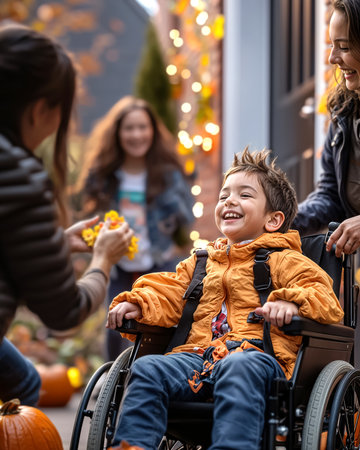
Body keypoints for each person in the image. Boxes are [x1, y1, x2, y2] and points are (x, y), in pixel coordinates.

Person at [106, 148, 344, 450]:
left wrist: (292, 302)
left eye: (244, 195)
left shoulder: (285, 260)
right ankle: (134, 445)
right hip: (196, 357)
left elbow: (322, 294)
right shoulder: (202, 262)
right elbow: (168, 290)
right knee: (148, 368)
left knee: (238, 366)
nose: (229, 201)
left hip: (258, 357)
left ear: (273, 220)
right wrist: (138, 302)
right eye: (224, 196)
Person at [0, 24, 134, 406]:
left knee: (24, 379)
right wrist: (103, 259)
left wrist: (56, 243)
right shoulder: (21, 176)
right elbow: (64, 310)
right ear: (41, 108)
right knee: (26, 388)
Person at [76, 96, 195, 360]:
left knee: (157, 322)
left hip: (156, 258)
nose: (136, 134)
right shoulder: (105, 174)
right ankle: (110, 383)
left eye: (143, 127)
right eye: (129, 128)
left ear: (152, 131)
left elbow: (186, 216)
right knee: (114, 324)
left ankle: (149, 380)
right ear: (117, 133)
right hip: (118, 260)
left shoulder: (167, 173)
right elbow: (90, 214)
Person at [293, 0, 360, 258]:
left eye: (343, 47)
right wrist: (284, 221)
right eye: (332, 45)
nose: (333, 58)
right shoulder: (343, 111)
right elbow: (330, 193)